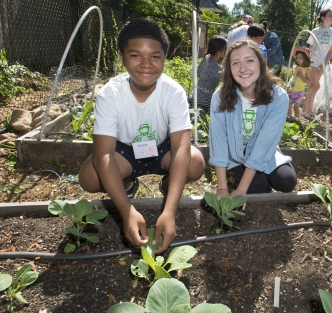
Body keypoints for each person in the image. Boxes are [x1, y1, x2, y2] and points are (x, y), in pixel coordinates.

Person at [78, 17, 206, 253]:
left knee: (195, 163)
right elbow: (103, 153)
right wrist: (126, 210)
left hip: (161, 149)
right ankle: (126, 184)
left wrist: (169, 211)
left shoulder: (173, 92)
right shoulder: (110, 94)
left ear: (165, 58)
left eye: (155, 56)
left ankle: (168, 186)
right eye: (136, 55)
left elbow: (181, 147)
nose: (146, 63)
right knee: (89, 178)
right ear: (122, 57)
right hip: (126, 152)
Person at [208, 39, 297, 200]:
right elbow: (219, 142)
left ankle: (258, 175)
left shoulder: (277, 97)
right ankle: (251, 178)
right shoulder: (220, 97)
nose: (243, 68)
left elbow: (264, 143)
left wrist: (241, 189)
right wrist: (222, 189)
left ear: (261, 63)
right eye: (235, 63)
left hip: (264, 150)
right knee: (256, 186)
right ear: (229, 69)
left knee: (287, 181)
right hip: (235, 153)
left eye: (249, 60)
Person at [292, 9, 332, 118]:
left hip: (322, 62)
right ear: (323, 18)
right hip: (314, 60)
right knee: (315, 85)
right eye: (329, 15)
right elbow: (310, 48)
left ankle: (306, 109)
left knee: (314, 86)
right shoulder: (316, 31)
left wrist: (325, 64)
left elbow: (331, 50)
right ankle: (308, 110)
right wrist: (308, 60)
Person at [194, 35, 228, 113]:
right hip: (206, 103)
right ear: (219, 50)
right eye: (225, 48)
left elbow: (198, 74)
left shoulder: (205, 59)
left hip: (195, 96)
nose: (226, 51)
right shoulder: (217, 70)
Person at [288, 51, 312, 118]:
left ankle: (297, 121)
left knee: (296, 108)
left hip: (299, 92)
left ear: (305, 59)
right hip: (291, 90)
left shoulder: (306, 69)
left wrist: (302, 76)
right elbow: (293, 77)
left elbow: (309, 82)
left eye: (300, 58)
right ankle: (290, 119)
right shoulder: (295, 66)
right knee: (287, 107)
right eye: (297, 58)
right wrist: (288, 86)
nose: (298, 60)